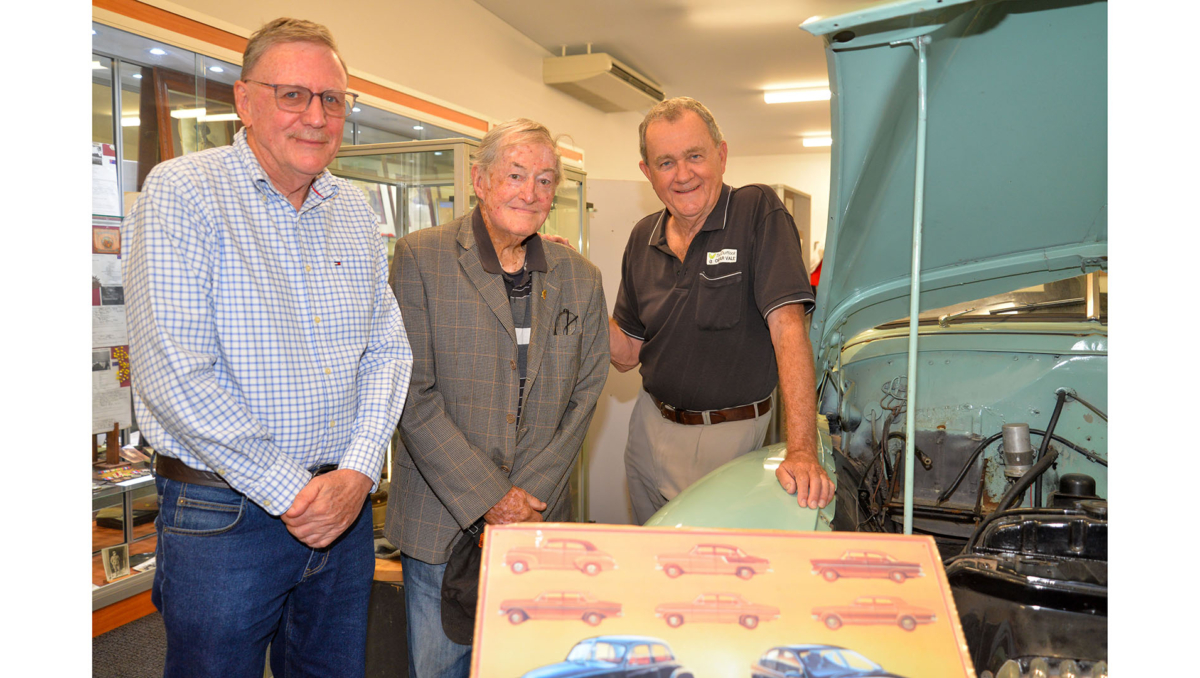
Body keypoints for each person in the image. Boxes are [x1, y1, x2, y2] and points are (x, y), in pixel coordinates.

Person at [123, 18, 412, 678]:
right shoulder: (183, 193)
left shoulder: (355, 212)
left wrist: (360, 472)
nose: (315, 116)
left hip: (344, 510)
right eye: (292, 95)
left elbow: (387, 353)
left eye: (332, 99)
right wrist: (296, 492)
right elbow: (175, 373)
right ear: (244, 100)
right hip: (224, 517)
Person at [385, 118, 609, 677]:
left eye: (544, 179)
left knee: (529, 666)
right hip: (442, 521)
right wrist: (491, 497)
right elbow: (412, 391)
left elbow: (586, 389)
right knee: (441, 667)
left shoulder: (579, 277)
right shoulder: (420, 259)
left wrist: (527, 492)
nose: (530, 192)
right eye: (515, 174)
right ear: (479, 179)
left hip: (540, 514)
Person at [610, 97, 834, 524]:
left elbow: (788, 330)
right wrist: (573, 290)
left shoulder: (756, 212)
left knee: (714, 570)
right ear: (647, 173)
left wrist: (802, 450)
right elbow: (625, 353)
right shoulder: (643, 236)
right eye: (666, 162)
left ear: (722, 155)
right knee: (651, 558)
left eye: (695, 156)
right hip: (648, 427)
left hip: (729, 439)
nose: (683, 175)